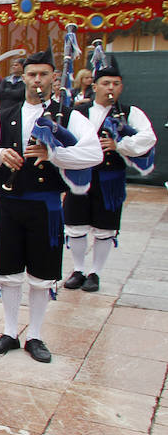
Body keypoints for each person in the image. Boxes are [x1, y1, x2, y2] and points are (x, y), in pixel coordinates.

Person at [0, 49, 102, 362]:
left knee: (42, 274)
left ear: (53, 78)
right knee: (10, 270)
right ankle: (10, 331)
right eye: (32, 75)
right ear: (24, 77)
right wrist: (0, 154)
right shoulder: (6, 115)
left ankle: (36, 335)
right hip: (9, 204)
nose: (37, 80)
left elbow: (93, 153)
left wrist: (54, 155)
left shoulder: (67, 115)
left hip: (46, 207)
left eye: (43, 74)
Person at [62, 57, 157, 293]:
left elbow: (148, 138)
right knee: (75, 223)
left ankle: (95, 273)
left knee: (105, 227)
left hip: (110, 179)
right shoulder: (79, 111)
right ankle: (79, 269)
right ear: (95, 86)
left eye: (116, 83)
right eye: (106, 83)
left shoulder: (129, 112)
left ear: (121, 87)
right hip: (80, 177)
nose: (111, 88)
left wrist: (119, 145)